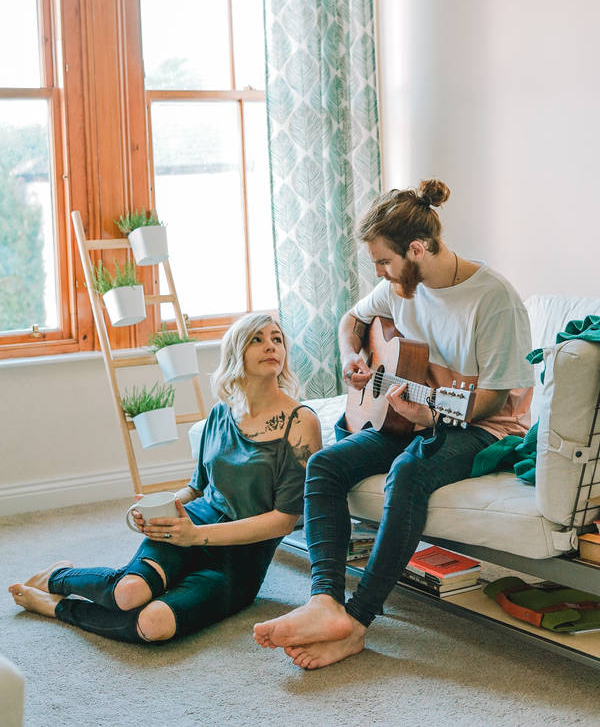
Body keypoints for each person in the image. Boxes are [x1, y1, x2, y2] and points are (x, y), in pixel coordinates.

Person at [254, 178, 533, 669]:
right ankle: (324, 600)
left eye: (384, 261)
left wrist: (433, 415)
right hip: (410, 417)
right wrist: (350, 359)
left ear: (418, 249)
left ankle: (355, 622)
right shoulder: (398, 288)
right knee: (323, 466)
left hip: (482, 427)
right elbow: (351, 321)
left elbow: (493, 398)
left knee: (407, 473)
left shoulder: (494, 300)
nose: (380, 273)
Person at [9, 314, 321, 645]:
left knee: (153, 625)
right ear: (236, 353)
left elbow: (283, 522)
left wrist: (196, 536)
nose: (271, 346)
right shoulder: (220, 413)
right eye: (257, 339)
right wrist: (159, 506)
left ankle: (55, 607)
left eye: (277, 339)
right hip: (190, 525)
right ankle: (59, 576)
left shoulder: (300, 423)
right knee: (128, 594)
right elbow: (196, 488)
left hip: (239, 559)